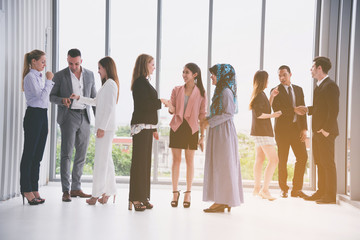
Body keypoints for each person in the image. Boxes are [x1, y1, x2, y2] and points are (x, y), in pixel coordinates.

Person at [70, 56, 119, 205]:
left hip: (106, 128)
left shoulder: (110, 84)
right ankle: (110, 191)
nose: (98, 71)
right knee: (107, 160)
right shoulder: (106, 85)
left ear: (106, 68)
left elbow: (110, 108)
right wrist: (79, 97)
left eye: (100, 68)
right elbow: (95, 102)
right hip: (105, 128)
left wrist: (102, 128)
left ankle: (96, 194)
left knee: (100, 162)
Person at [50, 49, 97, 202]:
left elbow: (94, 98)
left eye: (76, 63)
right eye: (70, 63)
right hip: (68, 116)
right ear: (67, 60)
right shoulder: (60, 75)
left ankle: (76, 188)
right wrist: (62, 100)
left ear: (81, 61)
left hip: (85, 116)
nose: (73, 67)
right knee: (66, 154)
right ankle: (66, 190)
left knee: (81, 154)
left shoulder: (89, 75)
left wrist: (99, 121)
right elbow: (51, 96)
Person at [295, 56, 339, 204]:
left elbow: (334, 110)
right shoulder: (319, 86)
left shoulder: (330, 86)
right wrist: (307, 109)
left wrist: (325, 130)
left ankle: (330, 196)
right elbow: (321, 108)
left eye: (313, 67)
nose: (311, 70)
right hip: (318, 132)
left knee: (328, 163)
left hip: (325, 132)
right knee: (320, 162)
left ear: (319, 68)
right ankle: (321, 192)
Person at [202, 64, 244, 213]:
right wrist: (207, 119)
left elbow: (228, 113)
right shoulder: (220, 91)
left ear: (222, 75)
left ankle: (222, 201)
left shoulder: (225, 91)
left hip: (223, 132)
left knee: (223, 165)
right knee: (220, 165)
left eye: (214, 74)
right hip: (219, 131)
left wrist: (209, 121)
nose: (212, 77)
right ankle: (223, 200)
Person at [165, 63, 206, 208]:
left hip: (192, 129)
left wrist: (202, 136)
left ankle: (188, 193)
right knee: (176, 161)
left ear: (195, 75)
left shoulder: (201, 92)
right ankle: (175, 192)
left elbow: (202, 116)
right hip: (177, 127)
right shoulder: (176, 90)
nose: (184, 75)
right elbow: (172, 111)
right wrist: (169, 106)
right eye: (183, 72)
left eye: (187, 72)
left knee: (190, 161)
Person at [128, 54, 164, 211]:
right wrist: (161, 102)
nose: (154, 67)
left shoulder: (145, 82)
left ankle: (143, 196)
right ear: (145, 65)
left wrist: (154, 128)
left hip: (147, 128)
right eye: (152, 64)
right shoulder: (139, 83)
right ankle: (135, 198)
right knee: (139, 164)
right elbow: (144, 106)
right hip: (141, 128)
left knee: (145, 164)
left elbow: (148, 108)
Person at [20, 49, 54, 205]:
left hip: (42, 115)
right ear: (33, 61)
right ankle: (26, 189)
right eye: (42, 61)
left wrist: (46, 81)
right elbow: (41, 97)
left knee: (38, 155)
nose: (44, 64)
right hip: (33, 115)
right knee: (29, 154)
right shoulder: (30, 77)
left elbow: (44, 100)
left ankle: (34, 188)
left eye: (45, 61)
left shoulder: (40, 77)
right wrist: (49, 81)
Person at [271, 65, 308, 198]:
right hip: (282, 131)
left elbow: (302, 110)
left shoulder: (299, 90)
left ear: (290, 74)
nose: (282, 78)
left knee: (303, 157)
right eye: (279, 75)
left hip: (297, 129)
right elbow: (277, 110)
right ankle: (283, 189)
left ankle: (297, 189)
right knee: (283, 160)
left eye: (284, 75)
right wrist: (293, 109)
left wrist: (304, 128)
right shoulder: (275, 91)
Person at [249, 70, 281, 201]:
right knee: (274, 160)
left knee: (260, 159)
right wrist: (273, 115)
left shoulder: (260, 94)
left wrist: (272, 96)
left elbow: (265, 109)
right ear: (263, 80)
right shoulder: (258, 95)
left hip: (260, 131)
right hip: (263, 132)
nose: (268, 82)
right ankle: (265, 190)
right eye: (267, 79)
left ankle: (257, 189)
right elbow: (260, 114)